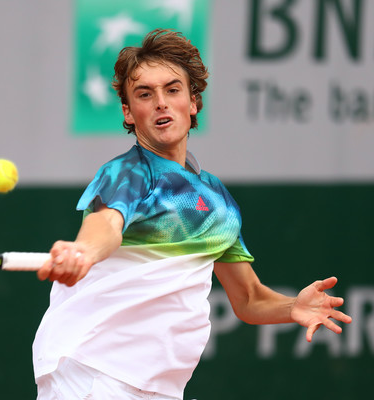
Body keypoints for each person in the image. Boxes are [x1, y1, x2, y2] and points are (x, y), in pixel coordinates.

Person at [32, 29, 352, 400]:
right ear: (128, 113)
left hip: (157, 388)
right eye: (144, 94)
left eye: (172, 90)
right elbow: (105, 225)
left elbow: (248, 298)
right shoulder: (128, 173)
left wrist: (292, 306)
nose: (160, 104)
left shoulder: (216, 199)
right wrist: (83, 252)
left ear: (193, 101)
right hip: (93, 374)